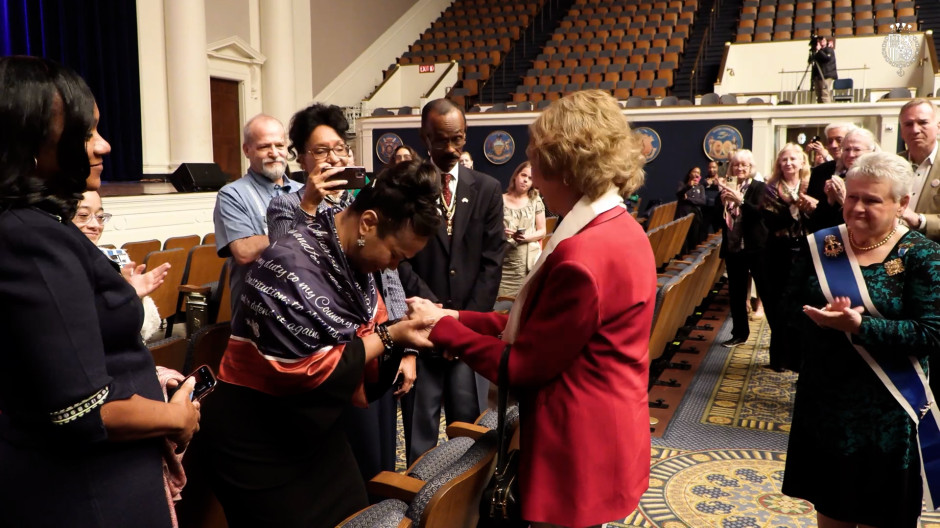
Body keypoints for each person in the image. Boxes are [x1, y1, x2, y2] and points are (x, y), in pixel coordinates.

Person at [398, 89, 655, 527]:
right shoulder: (622, 228)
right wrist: (453, 317)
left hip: (577, 443)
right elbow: (542, 325)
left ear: (567, 169)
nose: (531, 176)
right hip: (612, 425)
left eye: (536, 162)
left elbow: (521, 366)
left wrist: (439, 329)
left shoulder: (582, 257)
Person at [0, 55, 200, 528]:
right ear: (31, 142)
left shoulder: (39, 228)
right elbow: (81, 412)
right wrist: (177, 419)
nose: (104, 146)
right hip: (91, 496)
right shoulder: (30, 237)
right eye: (86, 133)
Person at [197, 159, 441, 528]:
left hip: (312, 425)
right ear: (369, 223)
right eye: (395, 254)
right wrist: (392, 335)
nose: (393, 267)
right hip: (255, 433)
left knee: (355, 512)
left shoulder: (349, 261)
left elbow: (356, 342)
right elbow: (306, 368)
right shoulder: (289, 262)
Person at [782, 152, 940, 528]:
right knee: (831, 510)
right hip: (826, 404)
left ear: (902, 204)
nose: (857, 207)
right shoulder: (820, 246)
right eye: (852, 197)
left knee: (880, 515)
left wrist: (860, 326)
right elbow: (787, 313)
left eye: (872, 199)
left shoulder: (923, 255)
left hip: (888, 411)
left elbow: (931, 333)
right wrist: (820, 321)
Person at [266, 102, 415, 481]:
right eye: (321, 151)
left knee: (382, 448)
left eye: (339, 149)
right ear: (301, 158)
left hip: (378, 339)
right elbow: (287, 267)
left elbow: (390, 278)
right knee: (350, 460)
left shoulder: (361, 201)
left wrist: (405, 349)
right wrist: (310, 203)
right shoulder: (285, 205)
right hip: (331, 353)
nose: (333, 158)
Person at [397, 98, 504, 465]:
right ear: (425, 136)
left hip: (468, 333)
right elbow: (400, 260)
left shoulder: (487, 188)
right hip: (419, 327)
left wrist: (460, 323)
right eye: (441, 141)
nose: (451, 149)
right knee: (418, 437)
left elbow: (492, 262)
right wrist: (435, 316)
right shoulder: (409, 186)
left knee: (470, 431)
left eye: (457, 139)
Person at [213, 114, 303, 311]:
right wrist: (303, 230)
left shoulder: (303, 190)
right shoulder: (232, 194)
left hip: (303, 306)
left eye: (279, 146)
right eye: (264, 147)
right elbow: (244, 252)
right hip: (258, 310)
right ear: (247, 150)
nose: (274, 153)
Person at [73, 190, 168, 340]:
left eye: (99, 217)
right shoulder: (55, 265)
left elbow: (145, 330)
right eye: (83, 216)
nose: (95, 225)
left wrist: (134, 297)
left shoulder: (112, 259)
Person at [759, 143, 813, 371]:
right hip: (778, 250)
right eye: (784, 160)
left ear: (802, 162)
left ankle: (800, 359)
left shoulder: (811, 186)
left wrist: (807, 208)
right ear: (779, 164)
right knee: (780, 304)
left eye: (793, 159)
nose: (789, 163)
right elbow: (770, 221)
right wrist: (792, 209)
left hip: (807, 249)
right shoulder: (771, 189)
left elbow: (819, 217)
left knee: (803, 303)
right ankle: (780, 359)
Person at [718, 149, 768, 347]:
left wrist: (741, 202)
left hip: (756, 247)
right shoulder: (727, 186)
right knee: (736, 294)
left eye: (743, 165)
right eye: (736, 165)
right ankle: (739, 334)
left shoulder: (760, 187)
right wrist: (720, 203)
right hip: (734, 248)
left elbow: (761, 215)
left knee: (766, 290)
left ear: (750, 168)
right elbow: (717, 220)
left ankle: (778, 342)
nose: (739, 168)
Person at [805, 127, 877, 233]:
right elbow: (815, 224)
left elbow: (873, 224)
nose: (850, 155)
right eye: (847, 149)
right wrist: (829, 201)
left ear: (871, 151)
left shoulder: (879, 178)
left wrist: (844, 201)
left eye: (857, 150)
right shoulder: (823, 172)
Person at [498, 161, 546, 301]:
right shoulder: (500, 200)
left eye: (530, 178)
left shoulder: (535, 200)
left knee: (522, 305)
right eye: (523, 175)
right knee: (500, 305)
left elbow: (542, 231)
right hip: (504, 261)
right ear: (515, 176)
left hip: (526, 265)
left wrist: (525, 237)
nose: (525, 180)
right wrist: (503, 233)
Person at [897, 99, 940, 240]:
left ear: (938, 127)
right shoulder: (892, 164)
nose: (915, 130)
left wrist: (919, 220)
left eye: (923, 123)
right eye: (908, 124)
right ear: (902, 131)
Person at [676, 166, 707, 250]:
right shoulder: (682, 184)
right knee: (683, 238)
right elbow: (679, 195)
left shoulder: (700, 187)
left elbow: (702, 201)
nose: (696, 174)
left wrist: (688, 199)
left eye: (698, 173)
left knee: (693, 238)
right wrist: (688, 186)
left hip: (696, 217)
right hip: (683, 215)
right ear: (690, 173)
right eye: (694, 172)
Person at [811, 36, 838, 103]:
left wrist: (819, 50)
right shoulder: (818, 52)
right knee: (819, 95)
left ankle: (828, 110)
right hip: (819, 75)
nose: (822, 42)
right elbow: (811, 61)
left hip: (826, 75)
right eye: (820, 40)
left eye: (823, 40)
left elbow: (827, 59)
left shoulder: (829, 50)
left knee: (824, 93)